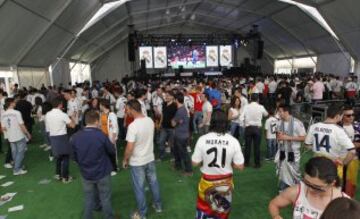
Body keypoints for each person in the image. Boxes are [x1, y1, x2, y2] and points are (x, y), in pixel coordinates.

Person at [192, 110, 244, 219]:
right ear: (225, 122)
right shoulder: (233, 141)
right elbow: (240, 166)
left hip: (207, 183)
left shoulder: (202, 139)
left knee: (204, 211)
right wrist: (229, 162)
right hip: (225, 184)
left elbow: (194, 162)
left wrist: (204, 161)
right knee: (222, 213)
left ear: (212, 122)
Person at [269, 157, 349, 219]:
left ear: (332, 183)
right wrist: (276, 216)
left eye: (317, 187)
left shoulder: (344, 204)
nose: (310, 189)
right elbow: (274, 204)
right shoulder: (297, 191)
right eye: (307, 183)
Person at [71, 110, 115, 219]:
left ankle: (91, 212)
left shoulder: (75, 137)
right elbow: (111, 151)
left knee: (88, 198)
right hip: (102, 172)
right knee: (105, 198)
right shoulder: (101, 135)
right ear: (96, 121)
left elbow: (73, 157)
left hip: (86, 173)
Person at [123, 100, 162, 219]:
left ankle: (142, 213)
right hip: (149, 158)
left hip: (138, 161)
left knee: (139, 188)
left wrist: (125, 159)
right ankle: (158, 206)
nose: (126, 111)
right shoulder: (150, 120)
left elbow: (129, 147)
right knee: (153, 183)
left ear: (133, 109)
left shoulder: (133, 126)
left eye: (127, 109)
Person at [305, 104, 357, 180]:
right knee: (332, 189)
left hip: (316, 163)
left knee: (317, 186)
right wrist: (344, 163)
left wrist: (319, 152)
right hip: (332, 165)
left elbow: (307, 145)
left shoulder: (314, 126)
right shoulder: (339, 130)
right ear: (337, 116)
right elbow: (352, 151)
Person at [275, 104, 306, 191]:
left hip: (293, 153)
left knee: (294, 172)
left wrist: (288, 137)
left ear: (286, 112)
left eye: (280, 111)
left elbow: (304, 137)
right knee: (282, 171)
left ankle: (297, 190)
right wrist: (279, 136)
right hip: (282, 151)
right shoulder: (279, 122)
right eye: (278, 111)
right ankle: (283, 189)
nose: (279, 113)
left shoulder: (297, 123)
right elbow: (278, 135)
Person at [45, 97, 76, 183]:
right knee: (65, 156)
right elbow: (73, 126)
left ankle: (58, 174)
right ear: (60, 105)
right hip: (62, 137)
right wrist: (73, 117)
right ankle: (65, 177)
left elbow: (47, 128)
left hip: (52, 137)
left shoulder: (48, 114)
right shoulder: (63, 114)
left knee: (58, 157)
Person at [1, 98, 31, 175]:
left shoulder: (3, 114)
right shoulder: (17, 112)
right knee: (20, 152)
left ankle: (18, 166)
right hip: (19, 135)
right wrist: (27, 133)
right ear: (11, 103)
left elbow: (3, 128)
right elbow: (21, 124)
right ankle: (17, 169)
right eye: (14, 102)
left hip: (10, 136)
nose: (15, 103)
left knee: (15, 152)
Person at [240, 94, 268, 168]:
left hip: (248, 128)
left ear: (250, 99)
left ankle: (246, 163)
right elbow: (266, 114)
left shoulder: (246, 107)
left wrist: (244, 125)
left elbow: (241, 117)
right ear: (257, 99)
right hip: (257, 128)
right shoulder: (260, 107)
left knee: (247, 147)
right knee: (257, 147)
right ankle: (257, 164)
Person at [340, 105, 360, 198]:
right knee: (338, 180)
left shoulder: (357, 126)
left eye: (352, 115)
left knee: (351, 182)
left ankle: (348, 200)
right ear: (342, 116)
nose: (351, 117)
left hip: (353, 159)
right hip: (339, 158)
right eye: (348, 115)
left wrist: (351, 145)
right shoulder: (336, 127)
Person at [171, 92, 192, 175]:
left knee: (184, 153)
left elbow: (173, 123)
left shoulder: (180, 111)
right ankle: (178, 165)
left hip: (181, 135)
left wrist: (173, 121)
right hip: (181, 134)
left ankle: (189, 170)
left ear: (176, 100)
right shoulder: (183, 109)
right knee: (177, 151)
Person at [99, 99, 119, 175]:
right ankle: (109, 167)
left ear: (103, 105)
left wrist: (113, 138)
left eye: (100, 105)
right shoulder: (102, 114)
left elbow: (115, 127)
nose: (99, 106)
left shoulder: (111, 114)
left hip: (110, 137)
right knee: (106, 153)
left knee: (112, 153)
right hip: (104, 136)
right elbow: (101, 125)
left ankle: (114, 168)